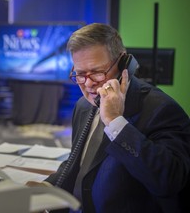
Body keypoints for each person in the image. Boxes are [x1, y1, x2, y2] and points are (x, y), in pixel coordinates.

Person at [27, 23, 190, 213]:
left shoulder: (161, 109)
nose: (88, 84)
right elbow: (79, 165)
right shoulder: (83, 106)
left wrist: (115, 122)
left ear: (124, 64)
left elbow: (169, 181)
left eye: (97, 72)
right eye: (80, 74)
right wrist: (47, 188)